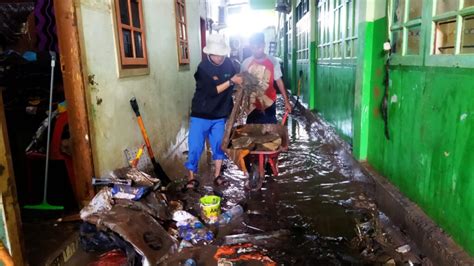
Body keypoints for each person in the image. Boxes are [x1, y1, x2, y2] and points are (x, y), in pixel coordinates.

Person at [184, 34, 243, 190]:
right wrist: (231, 81)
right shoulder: (203, 68)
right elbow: (212, 91)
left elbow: (236, 82)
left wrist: (240, 84)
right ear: (209, 53)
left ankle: (217, 175)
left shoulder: (229, 64)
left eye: (221, 54)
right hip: (201, 114)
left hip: (219, 114)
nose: (219, 58)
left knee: (218, 146)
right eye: (216, 55)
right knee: (196, 147)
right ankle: (191, 178)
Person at [241, 32, 292, 124]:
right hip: (252, 105)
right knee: (252, 132)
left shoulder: (273, 61)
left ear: (264, 45)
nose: (256, 51)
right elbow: (241, 85)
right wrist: (242, 105)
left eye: (259, 47)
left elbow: (279, 82)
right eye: (253, 48)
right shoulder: (246, 63)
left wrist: (286, 102)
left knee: (270, 132)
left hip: (269, 104)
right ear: (250, 47)